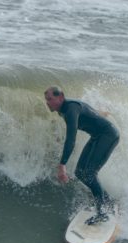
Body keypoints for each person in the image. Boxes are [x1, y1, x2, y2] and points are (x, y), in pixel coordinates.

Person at [44, 86, 120, 225]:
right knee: (80, 172)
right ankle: (107, 201)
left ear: (61, 97)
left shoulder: (70, 109)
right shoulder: (64, 109)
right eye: (46, 100)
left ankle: (101, 213)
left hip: (108, 135)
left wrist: (62, 165)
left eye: (50, 99)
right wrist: (99, 114)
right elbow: (86, 108)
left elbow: (71, 138)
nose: (47, 102)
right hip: (97, 137)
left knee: (90, 173)